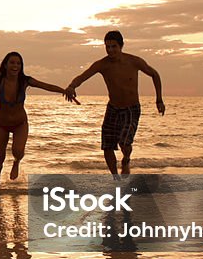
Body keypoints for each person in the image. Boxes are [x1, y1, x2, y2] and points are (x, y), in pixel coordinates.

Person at [64, 30, 164, 178]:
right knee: (107, 146)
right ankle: (116, 179)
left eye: (114, 46)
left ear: (121, 46)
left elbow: (154, 74)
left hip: (131, 108)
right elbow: (83, 76)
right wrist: (72, 86)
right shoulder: (102, 64)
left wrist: (159, 99)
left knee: (124, 143)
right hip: (113, 109)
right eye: (107, 47)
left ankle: (126, 159)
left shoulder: (134, 61)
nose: (110, 50)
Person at [0, 51, 76, 186]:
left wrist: (64, 90)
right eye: (12, 63)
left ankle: (16, 162)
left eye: (18, 63)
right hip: (2, 124)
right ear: (5, 65)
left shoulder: (25, 81)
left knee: (18, 151)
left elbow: (46, 86)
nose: (15, 66)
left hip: (20, 123)